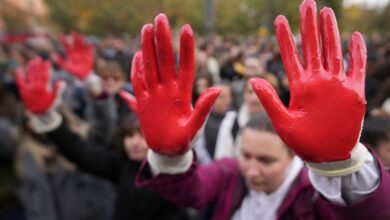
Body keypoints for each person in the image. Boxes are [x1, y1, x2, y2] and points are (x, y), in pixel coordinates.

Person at [119, 1, 390, 220]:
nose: (252, 170)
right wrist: (168, 160)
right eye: (246, 155)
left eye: (266, 160)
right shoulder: (230, 173)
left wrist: (340, 166)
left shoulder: (314, 193)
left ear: (291, 156)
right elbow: (192, 191)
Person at [16, 55, 192, 220]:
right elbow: (80, 151)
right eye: (129, 136)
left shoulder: (170, 171)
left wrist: (174, 157)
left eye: (142, 136)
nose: (135, 143)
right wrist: (50, 122)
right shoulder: (121, 164)